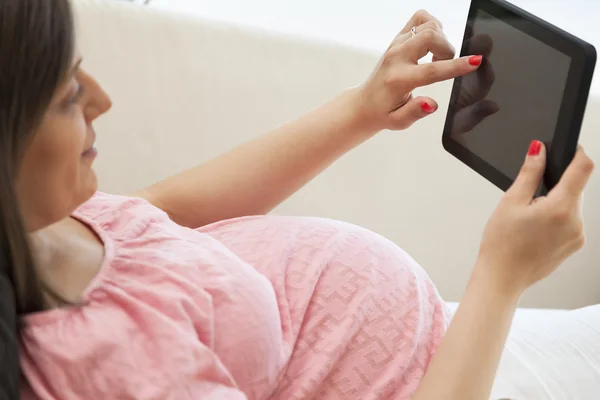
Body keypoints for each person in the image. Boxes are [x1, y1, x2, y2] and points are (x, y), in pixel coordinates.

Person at [0, 0, 594, 399]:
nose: (102, 100)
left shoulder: (40, 233)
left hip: (454, 333)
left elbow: (159, 212)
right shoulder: (114, 371)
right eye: (69, 93)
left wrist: (361, 108)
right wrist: (502, 275)